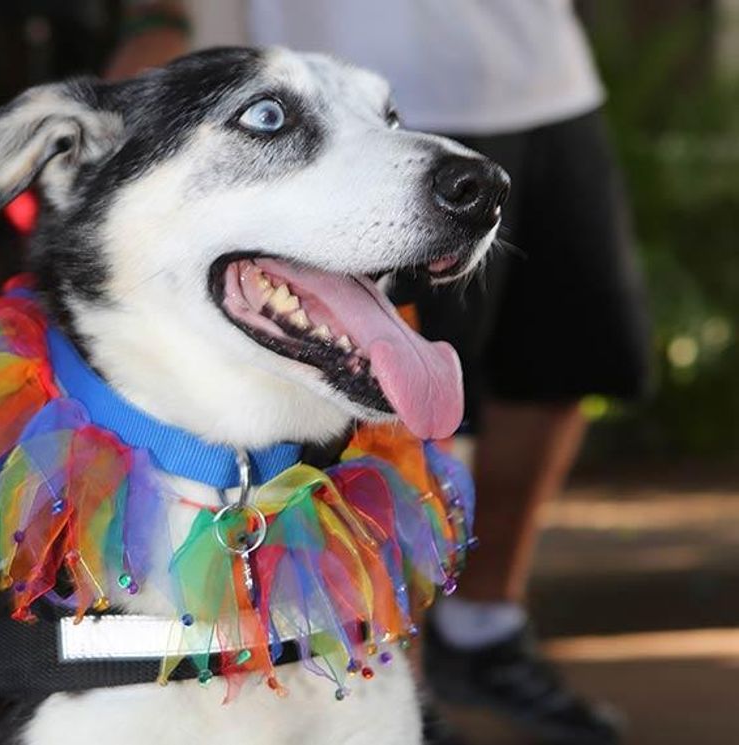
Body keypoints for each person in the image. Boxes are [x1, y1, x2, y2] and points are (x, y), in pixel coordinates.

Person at [107, 2, 650, 743]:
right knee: (379, 414)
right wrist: (162, 16)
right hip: (315, 76)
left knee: (562, 363)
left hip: (542, 74)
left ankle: (483, 625)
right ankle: (396, 676)